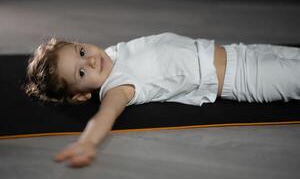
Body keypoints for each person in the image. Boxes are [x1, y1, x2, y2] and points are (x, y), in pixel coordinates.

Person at [25, 32, 300, 167]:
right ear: (82, 95)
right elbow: (105, 116)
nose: (92, 60)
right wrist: (87, 142)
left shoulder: (110, 55)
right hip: (244, 77)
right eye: (82, 71)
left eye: (82, 50)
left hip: (240, 52)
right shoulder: (118, 87)